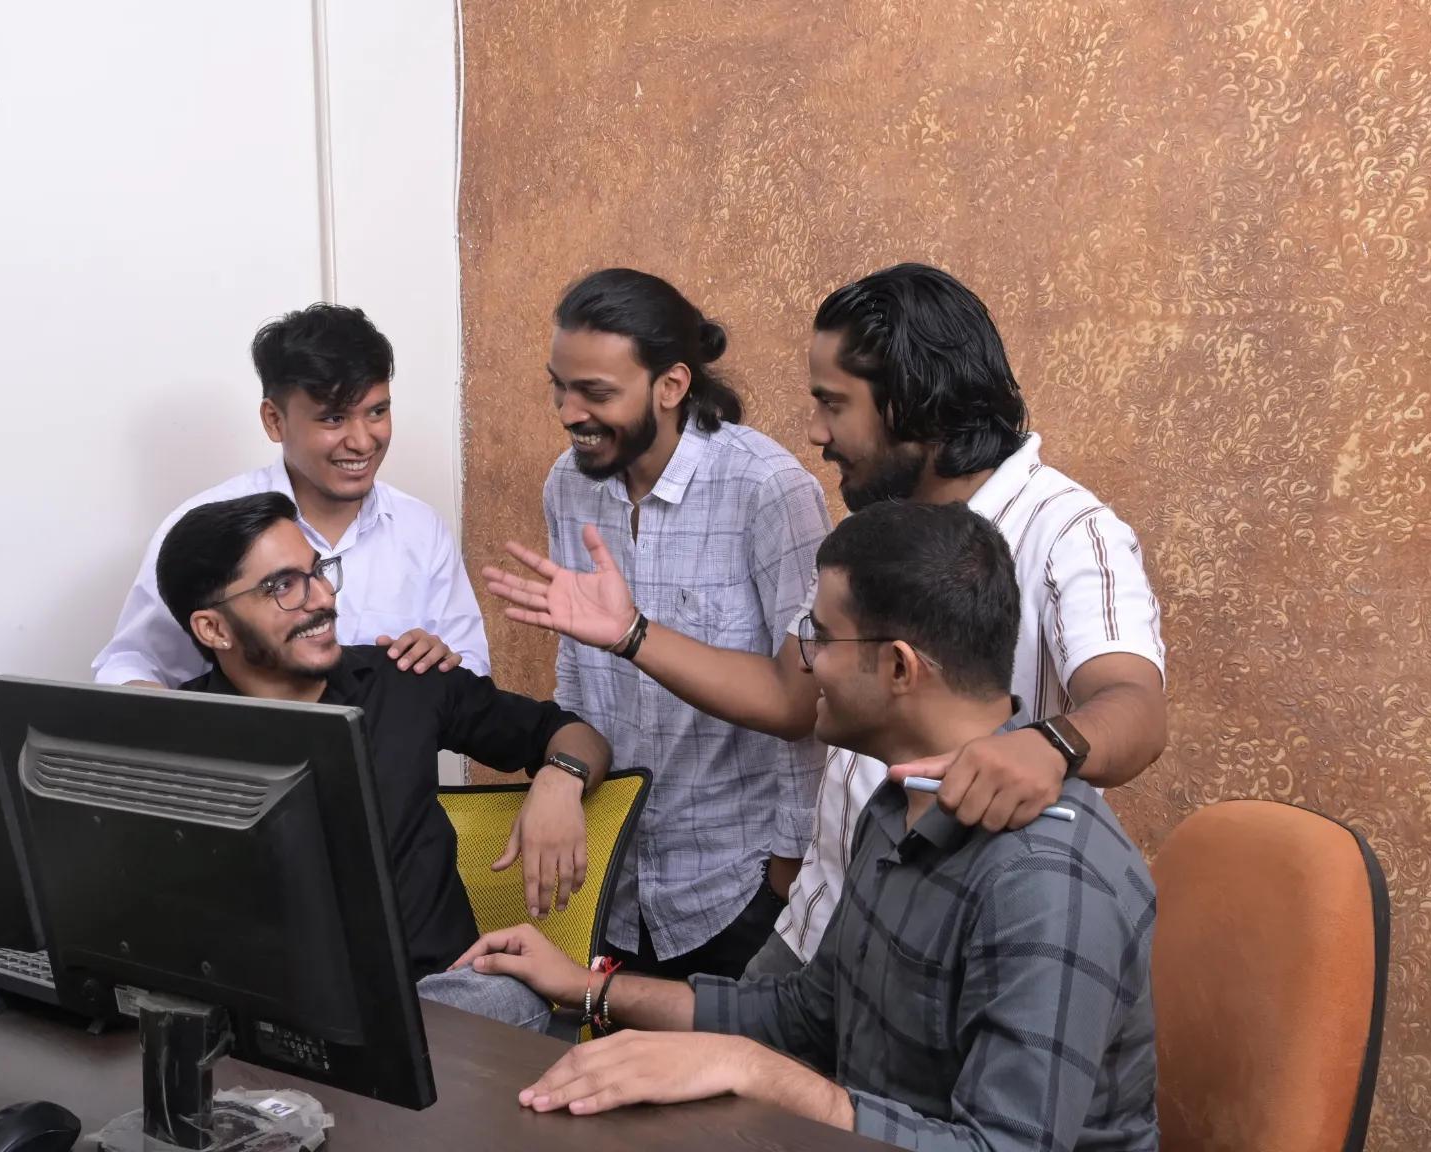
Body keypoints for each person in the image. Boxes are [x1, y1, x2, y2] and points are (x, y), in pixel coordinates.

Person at [486, 262, 1166, 977]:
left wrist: (1047, 747)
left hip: (943, 953)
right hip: (824, 926)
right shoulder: (885, 528)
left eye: (833, 404)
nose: (814, 432)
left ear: (910, 404)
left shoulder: (1067, 532)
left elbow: (1136, 709)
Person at [457, 501, 1158, 1150]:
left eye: (818, 635)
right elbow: (806, 1017)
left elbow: (1004, 1146)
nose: (802, 657)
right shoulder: (895, 802)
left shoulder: (1043, 881)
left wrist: (757, 1073)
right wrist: (590, 988)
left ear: (898, 667)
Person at [153, 491, 603, 1028]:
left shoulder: (404, 680)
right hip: (271, 1015)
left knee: (508, 1000)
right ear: (214, 629)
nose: (322, 598)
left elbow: (573, 735)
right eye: (283, 586)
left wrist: (561, 779)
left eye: (317, 572)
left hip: (437, 1001)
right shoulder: (175, 740)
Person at [495, 268, 831, 981]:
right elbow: (579, 670)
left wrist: (789, 866)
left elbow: (807, 703)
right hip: (618, 881)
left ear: (672, 386)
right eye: (560, 385)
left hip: (739, 887)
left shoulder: (768, 489)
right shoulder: (569, 482)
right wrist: (561, 773)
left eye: (596, 393)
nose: (567, 412)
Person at [95, 303, 489, 689]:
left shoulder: (421, 529)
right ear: (274, 420)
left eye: (377, 412)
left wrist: (443, 665)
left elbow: (472, 673)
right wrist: (174, 728)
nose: (363, 440)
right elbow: (131, 662)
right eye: (333, 418)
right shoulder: (207, 525)